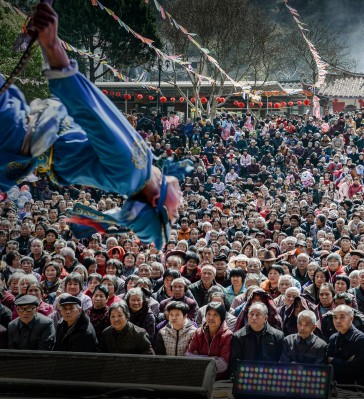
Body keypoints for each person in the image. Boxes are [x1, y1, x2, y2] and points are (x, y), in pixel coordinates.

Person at [0, 3, 188, 250]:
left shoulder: (131, 171)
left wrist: (52, 45)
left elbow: (89, 109)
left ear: (156, 199)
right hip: (18, 137)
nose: (182, 203)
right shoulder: (139, 169)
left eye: (174, 214)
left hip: (13, 131)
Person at [326, 304, 364, 386]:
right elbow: (327, 365)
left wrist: (333, 360)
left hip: (355, 388)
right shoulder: (333, 338)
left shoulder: (360, 339)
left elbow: (355, 369)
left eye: (342, 317)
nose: (337, 321)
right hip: (335, 386)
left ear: (351, 318)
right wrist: (346, 362)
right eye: (335, 317)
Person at [186, 302, 233, 379]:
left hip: (219, 379)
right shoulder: (198, 332)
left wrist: (198, 360)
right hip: (199, 376)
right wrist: (211, 358)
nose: (211, 318)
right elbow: (187, 355)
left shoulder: (227, 335)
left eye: (215, 315)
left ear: (222, 318)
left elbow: (223, 364)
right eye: (209, 314)